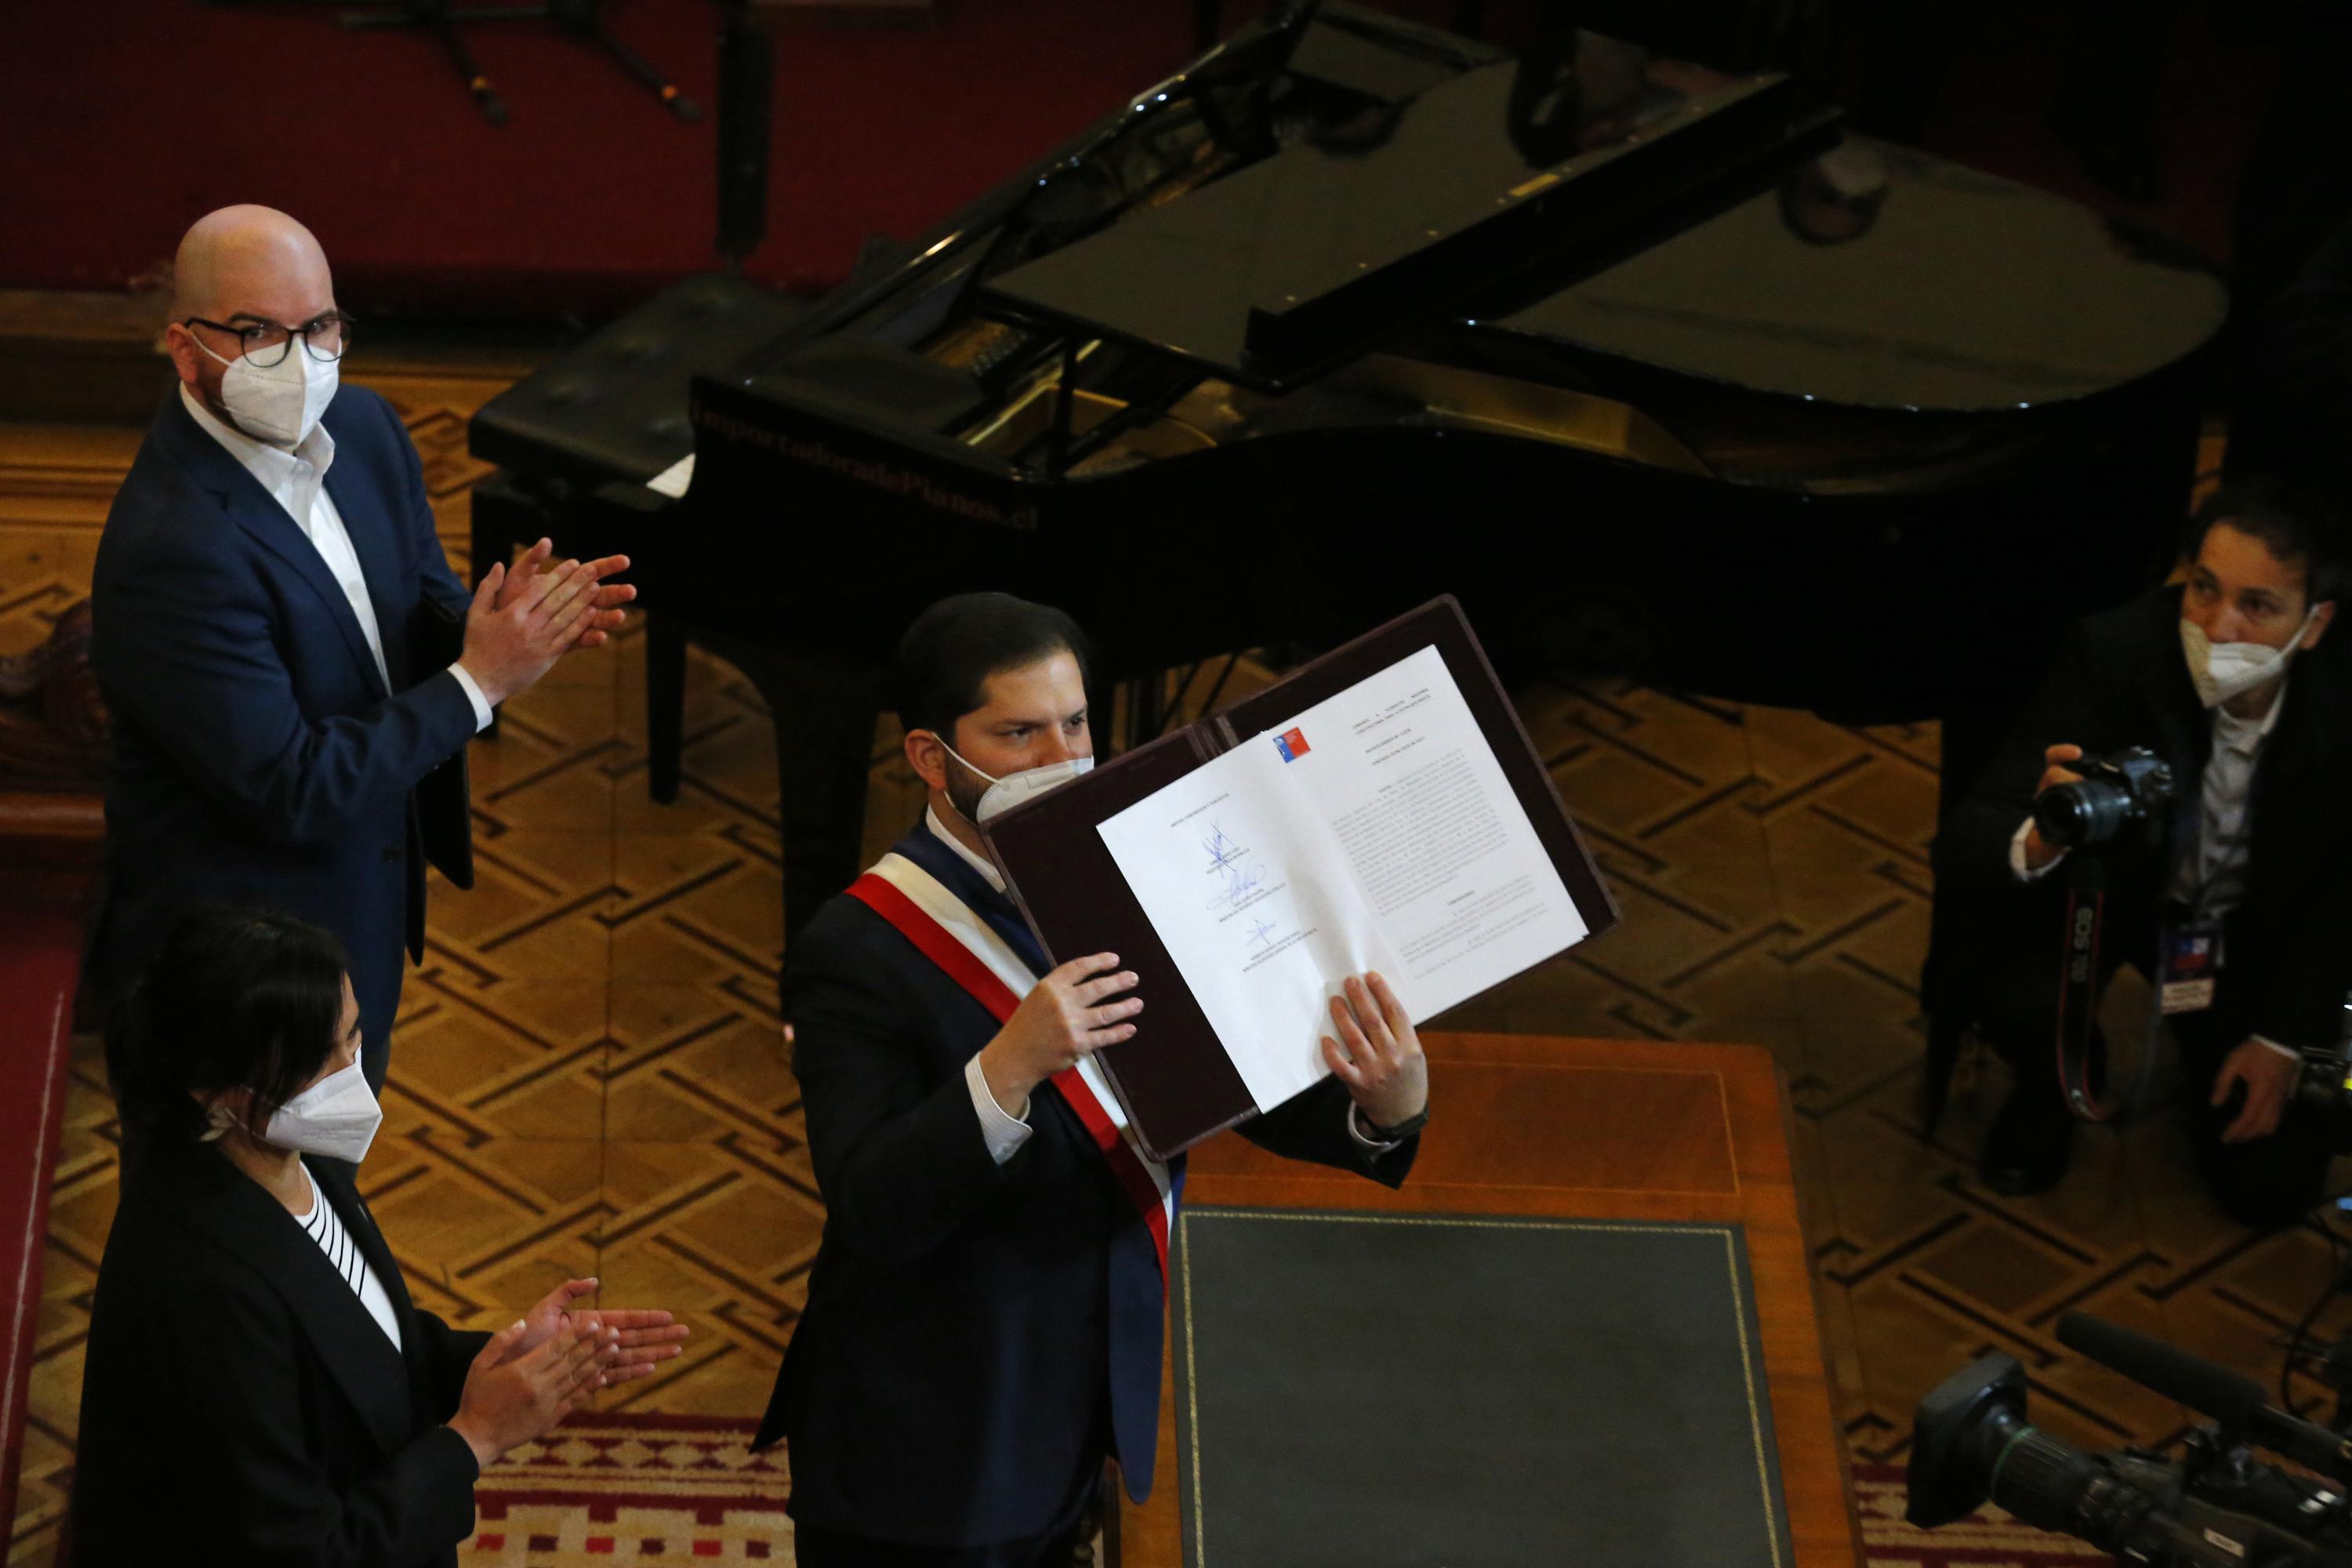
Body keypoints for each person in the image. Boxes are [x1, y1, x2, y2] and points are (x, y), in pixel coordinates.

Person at [753, 593, 1430, 1566]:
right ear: (933, 759)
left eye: (1074, 724)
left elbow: (1224, 1068)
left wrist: (1384, 1106)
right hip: (932, 1432)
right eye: (1018, 732)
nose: (1059, 758)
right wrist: (1009, 1064)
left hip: (1088, 1382)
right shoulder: (855, 947)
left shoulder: (1150, 876)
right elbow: (873, 1206)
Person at [90, 204, 635, 1091]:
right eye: (258, 332)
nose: (301, 360)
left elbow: (413, 602)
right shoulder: (175, 548)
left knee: (335, 1191)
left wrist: (509, 623)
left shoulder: (371, 431)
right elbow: (290, 785)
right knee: (260, 1219)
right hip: (244, 977)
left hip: (357, 913)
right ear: (186, 350)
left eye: (321, 326)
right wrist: (480, 679)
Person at [69, 905, 689, 1567]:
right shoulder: (203, 1292)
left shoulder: (289, 1159)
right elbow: (302, 1554)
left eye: (353, 1038)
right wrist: (473, 1438)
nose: (350, 1074)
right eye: (318, 1058)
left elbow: (354, 1342)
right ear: (216, 1088)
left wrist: (513, 1358)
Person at [1935, 478, 2352, 1223]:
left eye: (2257, 607)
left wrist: (2282, 1037)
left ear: (2313, 625)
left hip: (2237, 931)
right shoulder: (2113, 651)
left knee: (2270, 1187)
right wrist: (2044, 835)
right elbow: (1967, 839)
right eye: (2204, 589)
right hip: (2102, 905)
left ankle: (2216, 1057)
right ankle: (2057, 1077)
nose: (2218, 628)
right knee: (2009, 991)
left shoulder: (2342, 705)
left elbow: (2341, 891)